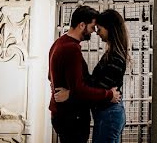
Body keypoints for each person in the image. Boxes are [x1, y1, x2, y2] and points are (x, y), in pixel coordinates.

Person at [55, 9, 130, 143]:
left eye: (99, 28)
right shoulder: (72, 47)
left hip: (109, 113)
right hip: (105, 113)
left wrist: (71, 93)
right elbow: (95, 85)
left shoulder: (115, 58)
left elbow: (98, 86)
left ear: (110, 29)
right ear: (82, 25)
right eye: (93, 27)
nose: (96, 32)